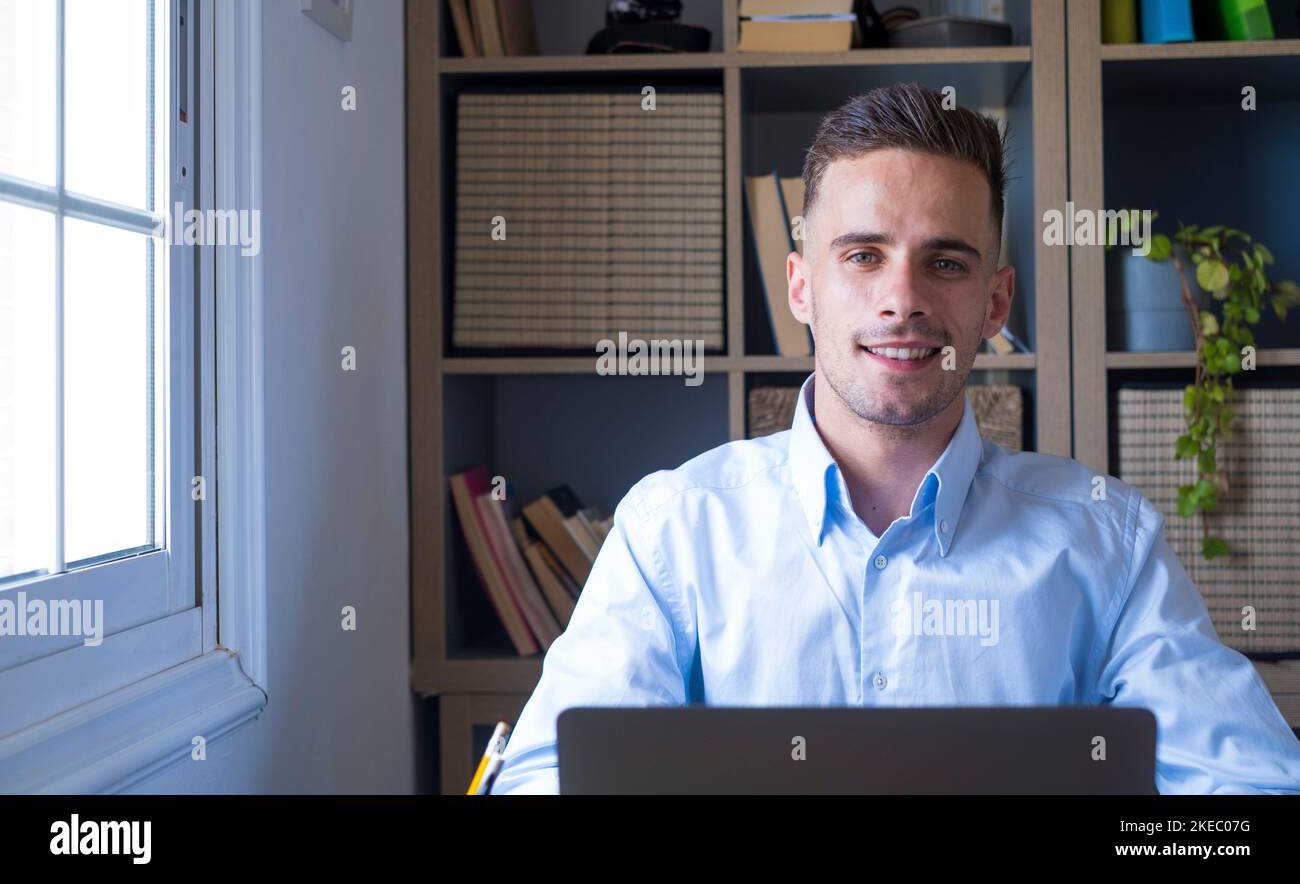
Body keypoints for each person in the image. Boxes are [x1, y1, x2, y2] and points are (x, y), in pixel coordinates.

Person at [490, 82, 1300, 794]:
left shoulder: (1108, 545)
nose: (901, 300)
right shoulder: (673, 530)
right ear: (802, 286)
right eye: (863, 256)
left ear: (995, 302)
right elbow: (542, 780)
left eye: (945, 263)